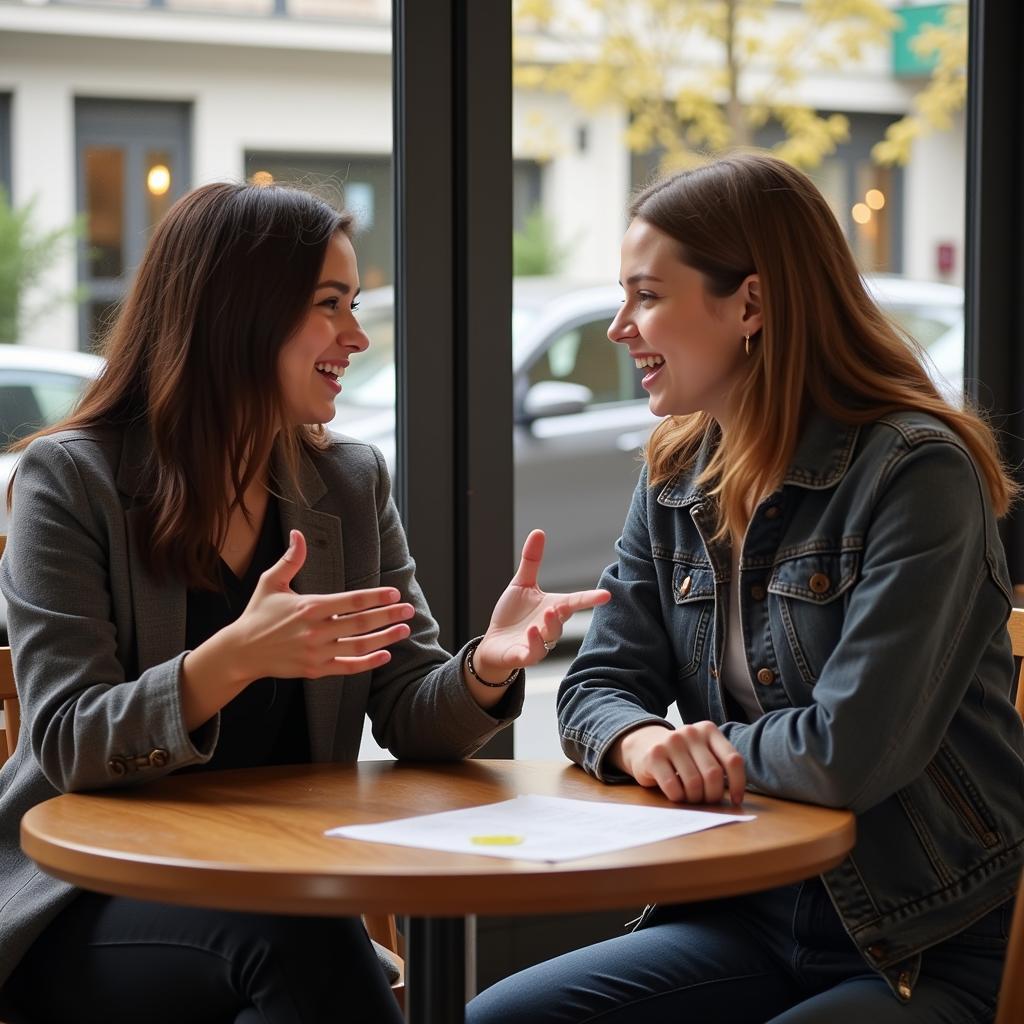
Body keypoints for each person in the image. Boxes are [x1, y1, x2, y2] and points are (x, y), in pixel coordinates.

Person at [0, 181, 609, 1024]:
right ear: (236, 314)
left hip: (274, 888)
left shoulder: (348, 482)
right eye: (331, 306)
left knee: (303, 938)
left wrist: (482, 670)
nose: (357, 337)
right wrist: (230, 661)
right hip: (87, 900)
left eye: (354, 305)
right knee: (304, 941)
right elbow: (68, 739)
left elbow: (406, 707)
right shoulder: (72, 481)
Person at [467, 153, 1024, 1024]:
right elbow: (595, 688)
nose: (619, 328)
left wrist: (706, 750)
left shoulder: (917, 475)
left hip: (920, 943)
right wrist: (644, 744)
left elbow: (848, 754)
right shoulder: (675, 475)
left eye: (647, 296)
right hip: (749, 913)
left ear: (752, 305)